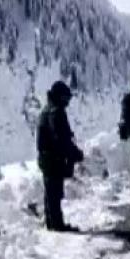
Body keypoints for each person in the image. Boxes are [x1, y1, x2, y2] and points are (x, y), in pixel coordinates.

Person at [37, 81, 84, 232]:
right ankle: (57, 225)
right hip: (53, 158)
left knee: (50, 192)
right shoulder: (56, 112)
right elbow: (61, 138)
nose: (67, 102)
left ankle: (52, 223)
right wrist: (74, 153)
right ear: (60, 97)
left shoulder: (47, 110)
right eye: (66, 98)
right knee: (54, 192)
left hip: (47, 157)